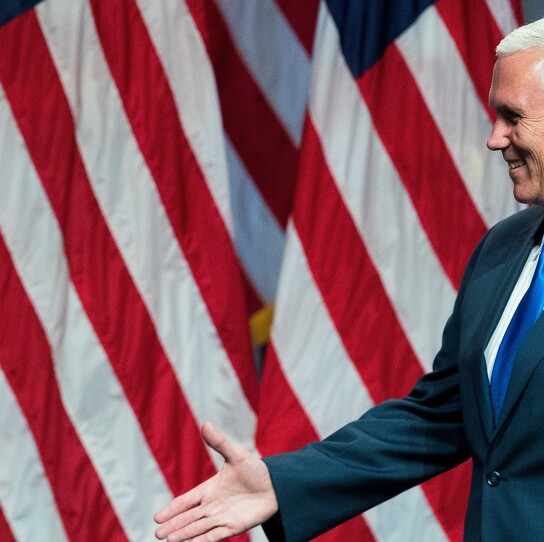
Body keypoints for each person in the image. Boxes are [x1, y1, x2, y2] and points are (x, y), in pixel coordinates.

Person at [154, 17, 544, 542]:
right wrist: (282, 483)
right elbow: (440, 414)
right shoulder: (504, 249)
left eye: (511, 116)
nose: (494, 138)